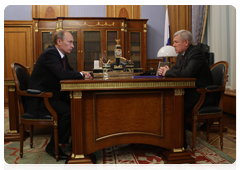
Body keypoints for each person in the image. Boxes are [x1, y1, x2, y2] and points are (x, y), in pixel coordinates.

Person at [25, 30, 92, 159]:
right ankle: (53, 147)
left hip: (52, 96)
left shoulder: (61, 55)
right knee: (69, 111)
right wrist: (81, 75)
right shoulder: (50, 53)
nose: (73, 45)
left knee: (78, 106)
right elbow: (62, 74)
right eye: (70, 42)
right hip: (40, 99)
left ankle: (77, 143)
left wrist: (82, 74)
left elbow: (70, 72)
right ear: (59, 42)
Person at [158, 30, 216, 149]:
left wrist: (168, 72)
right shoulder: (181, 54)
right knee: (167, 103)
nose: (173, 45)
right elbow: (176, 71)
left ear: (186, 42)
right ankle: (166, 138)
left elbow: (187, 73)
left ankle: (179, 143)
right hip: (189, 91)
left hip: (201, 94)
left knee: (176, 106)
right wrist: (166, 70)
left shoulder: (196, 52)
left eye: (176, 42)